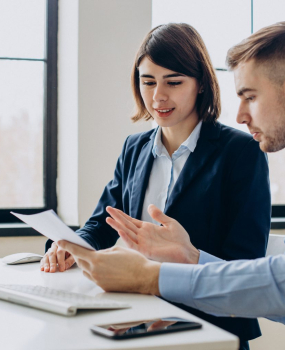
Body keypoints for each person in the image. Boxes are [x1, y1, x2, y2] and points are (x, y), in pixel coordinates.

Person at [41, 23, 271, 348]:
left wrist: (184, 255)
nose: (158, 96)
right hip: (139, 317)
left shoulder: (241, 152)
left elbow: (245, 264)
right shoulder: (134, 148)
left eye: (173, 82)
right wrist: (72, 246)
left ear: (201, 83)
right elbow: (104, 222)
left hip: (208, 325)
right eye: (147, 81)